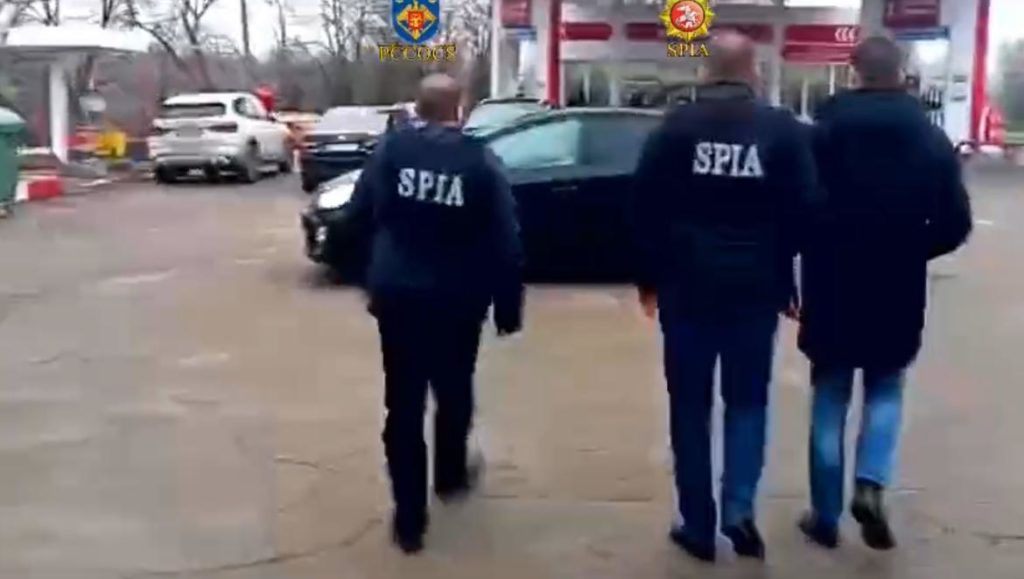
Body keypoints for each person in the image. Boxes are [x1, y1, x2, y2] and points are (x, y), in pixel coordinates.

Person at [632, 31, 817, 563]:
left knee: (689, 407)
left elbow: (643, 208)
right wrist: (786, 278)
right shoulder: (780, 131)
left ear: (706, 71)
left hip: (687, 289)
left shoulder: (674, 128)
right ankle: (739, 510)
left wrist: (649, 279)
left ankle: (697, 524)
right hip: (754, 290)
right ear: (752, 71)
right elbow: (805, 209)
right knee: (748, 401)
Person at [797, 37, 973, 551]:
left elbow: (797, 203)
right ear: (902, 72)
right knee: (886, 385)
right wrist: (915, 248)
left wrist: (812, 245)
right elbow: (956, 221)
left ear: (855, 72)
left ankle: (824, 517)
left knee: (830, 392)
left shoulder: (823, 132)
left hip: (831, 280)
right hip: (897, 281)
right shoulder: (929, 138)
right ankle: (871, 483)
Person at [347, 73, 524, 554]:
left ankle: (409, 520)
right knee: (454, 388)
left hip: (399, 296)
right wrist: (508, 305)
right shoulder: (479, 160)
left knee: (403, 403)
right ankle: (449, 477)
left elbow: (357, 215)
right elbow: (505, 237)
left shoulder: (391, 151)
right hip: (457, 299)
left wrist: (368, 276)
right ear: (458, 109)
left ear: (418, 108)